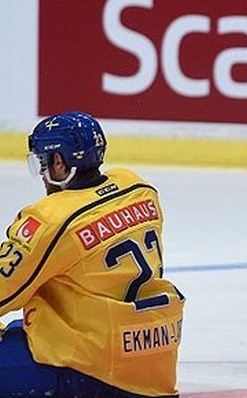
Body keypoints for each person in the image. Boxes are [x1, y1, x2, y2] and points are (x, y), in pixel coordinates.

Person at [0, 111, 185, 397]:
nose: (42, 174)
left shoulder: (52, 218)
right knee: (20, 328)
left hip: (91, 370)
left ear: (58, 162)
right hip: (153, 364)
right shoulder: (138, 188)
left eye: (42, 162)